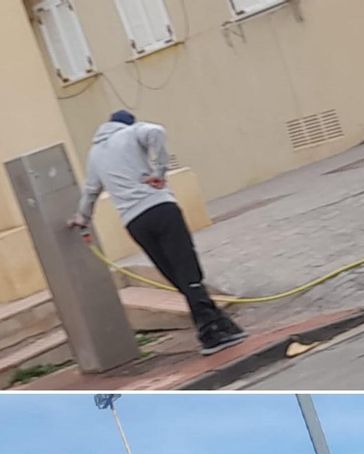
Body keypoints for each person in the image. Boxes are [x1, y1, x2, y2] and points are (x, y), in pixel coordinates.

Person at [67, 110, 246, 355]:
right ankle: (211, 332)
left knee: (173, 273)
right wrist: (159, 172)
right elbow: (156, 131)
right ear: (128, 123)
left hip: (135, 222)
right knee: (187, 269)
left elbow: (90, 191)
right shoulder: (131, 133)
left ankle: (222, 324)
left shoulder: (95, 154)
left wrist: (82, 219)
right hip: (160, 209)